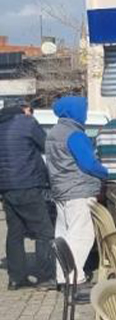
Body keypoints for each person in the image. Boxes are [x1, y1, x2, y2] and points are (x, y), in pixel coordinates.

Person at [45, 96, 106, 285]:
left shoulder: (54, 132)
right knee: (81, 235)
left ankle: (61, 275)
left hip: (61, 189)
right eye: (84, 110)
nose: (85, 114)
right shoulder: (75, 134)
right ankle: (74, 277)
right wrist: (104, 172)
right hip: (79, 190)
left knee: (63, 234)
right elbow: (88, 164)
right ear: (75, 111)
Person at [0, 100, 54, 289]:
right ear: (23, 110)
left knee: (15, 233)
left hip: (6, 188)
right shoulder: (27, 123)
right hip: (28, 183)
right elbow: (45, 145)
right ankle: (46, 277)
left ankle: (16, 278)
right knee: (44, 232)